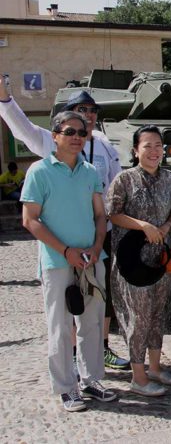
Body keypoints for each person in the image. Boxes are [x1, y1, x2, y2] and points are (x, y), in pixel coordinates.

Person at [0, 82, 129, 370]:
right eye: (81, 110)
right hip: (61, 239)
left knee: (98, 298)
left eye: (92, 110)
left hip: (99, 235)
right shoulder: (50, 143)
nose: (88, 116)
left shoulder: (104, 144)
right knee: (68, 301)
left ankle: (101, 350)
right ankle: (71, 357)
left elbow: (116, 183)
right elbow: (21, 128)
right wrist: (5, 99)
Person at [20, 111, 117, 412]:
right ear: (55, 135)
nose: (77, 137)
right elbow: (30, 220)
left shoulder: (89, 172)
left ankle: (90, 379)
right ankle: (65, 387)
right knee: (61, 326)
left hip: (91, 259)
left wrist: (97, 245)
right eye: (69, 131)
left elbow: (100, 215)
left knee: (91, 321)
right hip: (58, 262)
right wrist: (66, 251)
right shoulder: (39, 171)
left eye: (81, 132)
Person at [106, 125, 171, 396]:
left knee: (160, 312)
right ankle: (138, 377)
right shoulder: (125, 179)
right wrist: (143, 225)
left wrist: (167, 227)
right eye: (147, 146)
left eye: (158, 145)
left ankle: (155, 367)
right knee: (139, 317)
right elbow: (113, 214)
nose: (154, 151)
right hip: (131, 262)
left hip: (160, 259)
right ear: (136, 150)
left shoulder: (170, 179)